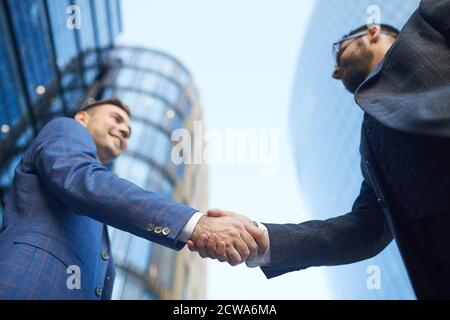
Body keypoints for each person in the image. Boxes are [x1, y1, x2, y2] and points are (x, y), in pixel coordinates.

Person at [190, 0, 450, 299]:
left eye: (339, 51)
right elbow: (367, 229)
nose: (336, 72)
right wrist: (265, 239)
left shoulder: (427, 23)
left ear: (373, 30)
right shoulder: (370, 145)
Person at [0, 98, 267, 299]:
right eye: (115, 118)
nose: (124, 130)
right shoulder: (67, 128)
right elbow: (79, 179)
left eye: (128, 130)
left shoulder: (98, 211)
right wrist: (194, 223)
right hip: (28, 283)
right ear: (82, 118)